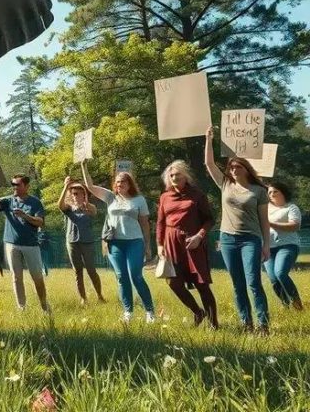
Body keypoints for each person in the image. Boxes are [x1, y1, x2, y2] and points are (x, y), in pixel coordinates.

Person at [205, 126, 271, 333]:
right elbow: (209, 163)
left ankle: (263, 324)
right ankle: (246, 323)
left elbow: (264, 220)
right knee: (237, 284)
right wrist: (209, 139)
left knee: (253, 281)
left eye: (237, 166)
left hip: (250, 239)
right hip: (228, 240)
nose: (233, 169)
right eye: (231, 167)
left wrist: (266, 245)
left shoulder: (259, 191)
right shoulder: (225, 184)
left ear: (246, 168)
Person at [82, 161, 154, 323]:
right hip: (114, 244)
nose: (120, 184)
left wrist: (148, 246)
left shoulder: (139, 200)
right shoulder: (110, 197)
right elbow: (90, 186)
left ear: (130, 184)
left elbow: (144, 224)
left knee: (136, 276)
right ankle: (128, 312)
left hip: (135, 242)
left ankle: (150, 311)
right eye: (118, 182)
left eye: (123, 181)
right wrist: (84, 166)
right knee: (122, 277)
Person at [156, 160, 218, 329]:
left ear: (186, 176)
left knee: (201, 284)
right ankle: (198, 312)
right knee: (174, 283)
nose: (174, 177)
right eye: (171, 175)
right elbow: (160, 222)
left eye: (178, 174)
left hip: (193, 243)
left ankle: (214, 324)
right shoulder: (164, 196)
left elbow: (209, 219)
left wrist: (200, 235)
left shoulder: (197, 195)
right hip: (171, 244)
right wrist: (160, 245)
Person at [0, 175, 49, 312]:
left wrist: (25, 216)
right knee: (16, 277)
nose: (14, 187)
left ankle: (44, 306)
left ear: (26, 186)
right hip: (11, 244)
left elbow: (40, 222)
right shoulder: (8, 201)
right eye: (13, 184)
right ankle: (21, 307)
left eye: (17, 184)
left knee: (37, 277)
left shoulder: (35, 202)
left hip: (31, 245)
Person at [57, 176, 104, 305]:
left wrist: (86, 203)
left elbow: (94, 212)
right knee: (78, 272)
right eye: (73, 193)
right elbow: (59, 205)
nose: (75, 196)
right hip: (72, 242)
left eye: (78, 193)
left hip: (87, 242)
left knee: (91, 270)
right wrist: (65, 186)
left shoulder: (89, 208)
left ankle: (100, 296)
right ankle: (83, 298)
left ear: (84, 194)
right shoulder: (68, 209)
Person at [264, 181, 303, 310]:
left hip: (287, 246)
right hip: (268, 247)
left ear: (283, 192)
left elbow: (295, 226)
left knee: (280, 273)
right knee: (273, 279)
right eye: (269, 192)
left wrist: (271, 224)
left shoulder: (291, 207)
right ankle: (285, 306)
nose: (272, 194)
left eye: (275, 191)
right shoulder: (265, 208)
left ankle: (297, 305)